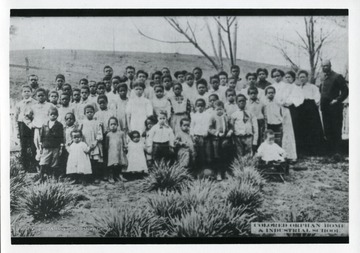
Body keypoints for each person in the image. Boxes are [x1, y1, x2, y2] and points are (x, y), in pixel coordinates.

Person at [270, 68, 302, 162]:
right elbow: (277, 98)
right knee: (280, 132)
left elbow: (297, 99)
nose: (287, 79)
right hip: (280, 110)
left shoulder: (295, 88)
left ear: (293, 78)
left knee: (289, 132)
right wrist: (280, 102)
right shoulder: (283, 87)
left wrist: (287, 102)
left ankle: (290, 155)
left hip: (289, 110)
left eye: (289, 77)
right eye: (286, 77)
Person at [320, 60, 349, 154]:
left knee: (336, 128)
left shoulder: (337, 76)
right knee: (327, 129)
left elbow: (345, 91)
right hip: (325, 108)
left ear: (330, 66)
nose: (324, 67)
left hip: (335, 108)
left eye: (326, 66)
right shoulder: (323, 77)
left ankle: (338, 152)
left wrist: (337, 100)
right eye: (323, 66)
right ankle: (330, 151)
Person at [297, 70, 325, 155]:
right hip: (301, 108)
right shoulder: (298, 88)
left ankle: (314, 150)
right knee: (303, 128)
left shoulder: (313, 87)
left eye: (303, 77)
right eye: (300, 77)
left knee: (312, 128)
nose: (302, 79)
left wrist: (314, 106)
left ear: (307, 78)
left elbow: (317, 97)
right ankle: (304, 150)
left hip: (310, 107)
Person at [24, 88, 55, 162]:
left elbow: (56, 114)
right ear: (36, 97)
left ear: (46, 96)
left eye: (42, 95)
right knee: (38, 146)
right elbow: (25, 117)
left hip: (48, 129)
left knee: (48, 146)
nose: (41, 97)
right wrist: (30, 124)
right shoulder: (33, 106)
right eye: (39, 95)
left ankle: (48, 165)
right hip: (37, 129)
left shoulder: (50, 105)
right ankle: (39, 166)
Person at [228, 94, 258, 158]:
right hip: (238, 137)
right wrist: (233, 140)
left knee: (249, 154)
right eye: (239, 101)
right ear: (236, 103)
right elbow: (232, 127)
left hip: (249, 137)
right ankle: (241, 167)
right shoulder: (234, 115)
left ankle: (248, 167)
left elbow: (255, 127)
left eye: (243, 101)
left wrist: (255, 141)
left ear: (245, 102)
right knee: (239, 154)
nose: (241, 102)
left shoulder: (251, 114)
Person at [15, 85, 37, 172]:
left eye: (28, 91)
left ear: (31, 92)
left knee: (33, 145)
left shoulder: (35, 103)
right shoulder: (19, 104)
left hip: (32, 125)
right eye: (24, 91)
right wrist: (17, 130)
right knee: (23, 146)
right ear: (22, 93)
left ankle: (35, 165)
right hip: (22, 126)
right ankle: (25, 166)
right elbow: (16, 118)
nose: (26, 93)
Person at [80, 105, 103, 184]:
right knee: (86, 161)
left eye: (91, 112)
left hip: (95, 144)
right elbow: (80, 134)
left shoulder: (97, 123)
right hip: (86, 144)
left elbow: (99, 133)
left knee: (95, 161)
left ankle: (95, 177)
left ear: (94, 113)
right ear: (84, 113)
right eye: (87, 112)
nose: (89, 114)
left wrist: (95, 142)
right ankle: (87, 178)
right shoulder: (82, 123)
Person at [39, 107, 64, 180]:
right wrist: (40, 147)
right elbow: (41, 136)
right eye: (51, 114)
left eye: (55, 114)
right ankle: (41, 177)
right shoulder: (44, 125)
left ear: (57, 115)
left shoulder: (59, 125)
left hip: (55, 147)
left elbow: (61, 137)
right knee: (43, 161)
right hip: (46, 146)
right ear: (48, 115)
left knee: (55, 162)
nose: (53, 116)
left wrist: (61, 148)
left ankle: (54, 177)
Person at [208, 101, 230, 181]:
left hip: (225, 139)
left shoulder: (226, 117)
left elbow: (230, 126)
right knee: (217, 156)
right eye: (217, 109)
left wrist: (230, 132)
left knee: (225, 155)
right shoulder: (213, 117)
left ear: (224, 109)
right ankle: (218, 173)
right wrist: (217, 133)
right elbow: (209, 128)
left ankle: (225, 172)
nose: (219, 111)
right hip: (216, 140)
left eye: (221, 109)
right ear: (214, 110)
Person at [190, 98, 211, 174]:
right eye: (198, 106)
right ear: (195, 107)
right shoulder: (194, 116)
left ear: (205, 106)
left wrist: (206, 132)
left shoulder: (207, 115)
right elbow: (192, 126)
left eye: (202, 106)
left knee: (207, 153)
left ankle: (207, 170)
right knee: (199, 154)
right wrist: (192, 135)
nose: (200, 107)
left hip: (205, 136)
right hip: (197, 136)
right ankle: (199, 170)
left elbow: (209, 125)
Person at [105, 117, 128, 183]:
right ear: (109, 126)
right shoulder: (108, 134)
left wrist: (125, 147)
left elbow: (124, 141)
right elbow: (106, 145)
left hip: (119, 151)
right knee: (112, 164)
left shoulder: (121, 133)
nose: (113, 126)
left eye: (114, 124)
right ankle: (111, 176)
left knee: (119, 164)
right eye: (111, 124)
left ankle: (119, 175)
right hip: (111, 152)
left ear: (117, 125)